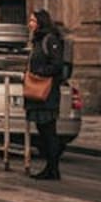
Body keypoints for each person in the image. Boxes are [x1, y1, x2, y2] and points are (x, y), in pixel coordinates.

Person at [26, 9, 69, 181]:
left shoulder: (49, 39)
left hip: (47, 92)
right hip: (38, 92)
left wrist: (39, 72)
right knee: (43, 130)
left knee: (48, 130)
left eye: (33, 21)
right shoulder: (36, 41)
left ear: (41, 22)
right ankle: (51, 167)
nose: (30, 24)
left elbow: (57, 65)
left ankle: (53, 168)